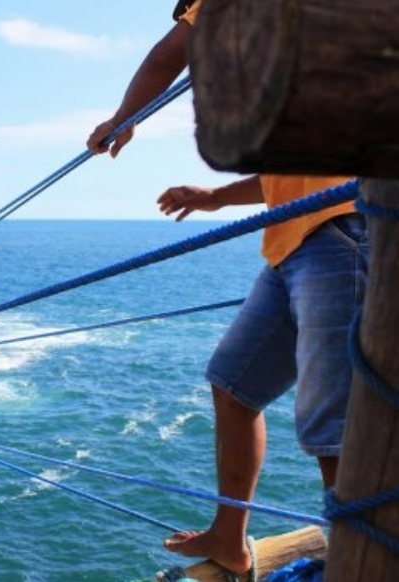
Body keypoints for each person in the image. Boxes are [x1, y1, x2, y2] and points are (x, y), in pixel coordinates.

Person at [85, 1, 368, 577]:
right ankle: (229, 537)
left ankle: (363, 553)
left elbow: (167, 56)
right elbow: (293, 173)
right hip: (295, 244)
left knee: (332, 420)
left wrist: (124, 117)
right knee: (235, 385)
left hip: (342, 232)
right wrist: (214, 198)